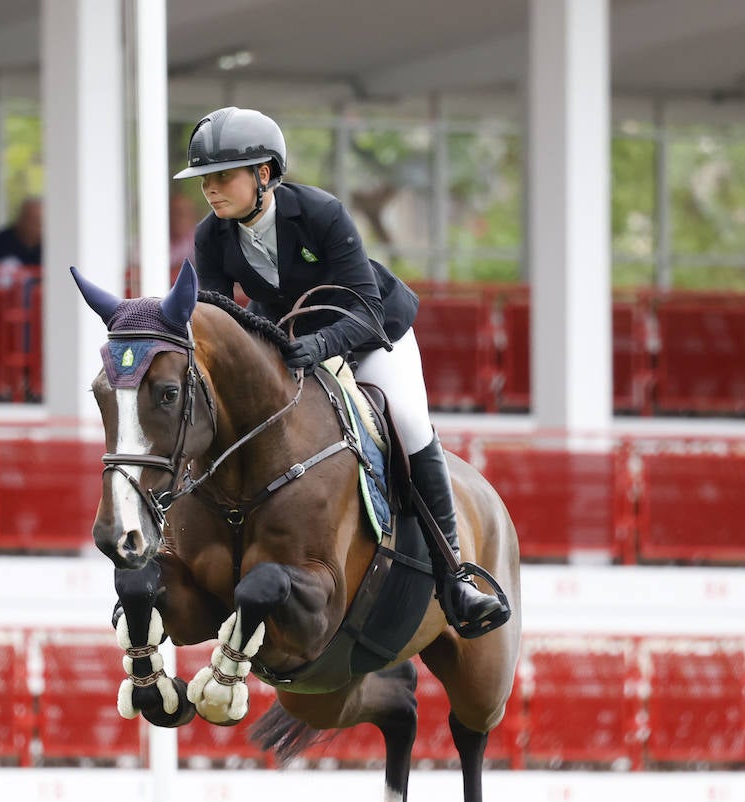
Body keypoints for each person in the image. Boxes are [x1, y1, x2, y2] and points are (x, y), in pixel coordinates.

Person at [174, 106, 505, 637]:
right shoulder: (212, 236)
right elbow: (218, 319)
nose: (210, 190)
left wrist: (323, 343)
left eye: (222, 177)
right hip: (288, 342)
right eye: (204, 180)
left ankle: (456, 576)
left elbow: (369, 308)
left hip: (372, 334)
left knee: (410, 424)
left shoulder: (321, 213)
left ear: (264, 175)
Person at [0, 196, 42, 268]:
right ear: (20, 218)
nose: (34, 226)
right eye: (30, 218)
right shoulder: (0, 241)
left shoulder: (50, 246)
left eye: (38, 221)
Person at [169, 191, 198, 269]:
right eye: (176, 212)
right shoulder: (152, 240)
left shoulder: (200, 238)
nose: (181, 217)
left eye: (186, 212)